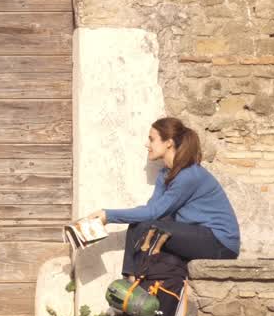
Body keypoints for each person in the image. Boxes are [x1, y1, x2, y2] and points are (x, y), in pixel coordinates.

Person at [84, 117, 240, 275]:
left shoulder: (189, 175)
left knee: (146, 226)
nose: (147, 144)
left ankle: (130, 287)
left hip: (219, 243)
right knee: (139, 225)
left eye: (151, 140)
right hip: (197, 234)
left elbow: (154, 213)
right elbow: (151, 210)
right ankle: (132, 283)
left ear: (169, 143)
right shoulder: (165, 174)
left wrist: (108, 215)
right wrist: (104, 217)